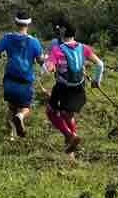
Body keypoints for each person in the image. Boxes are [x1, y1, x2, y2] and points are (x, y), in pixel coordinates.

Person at [42, 20, 103, 159]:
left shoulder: (57, 50)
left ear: (62, 32)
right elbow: (100, 64)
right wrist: (96, 81)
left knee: (51, 112)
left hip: (62, 88)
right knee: (68, 115)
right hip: (79, 89)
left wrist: (45, 66)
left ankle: (70, 135)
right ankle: (71, 155)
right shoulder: (84, 48)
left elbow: (48, 69)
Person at [0, 12, 44, 138]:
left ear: (16, 23)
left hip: (10, 80)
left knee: (11, 107)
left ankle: (11, 135)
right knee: (25, 108)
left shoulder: (7, 37)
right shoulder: (34, 41)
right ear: (28, 24)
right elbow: (40, 60)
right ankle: (20, 117)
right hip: (25, 81)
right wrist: (45, 57)